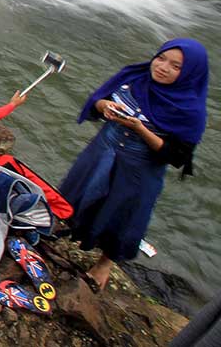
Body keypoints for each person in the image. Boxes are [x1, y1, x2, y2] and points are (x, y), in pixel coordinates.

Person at [59, 39, 209, 292]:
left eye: (175, 66)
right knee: (77, 191)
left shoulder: (190, 110)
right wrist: (105, 106)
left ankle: (105, 263)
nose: (162, 67)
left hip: (139, 167)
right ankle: (63, 229)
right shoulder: (133, 76)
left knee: (123, 214)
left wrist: (141, 129)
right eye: (161, 58)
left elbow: (177, 156)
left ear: (190, 73)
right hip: (102, 150)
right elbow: (98, 100)